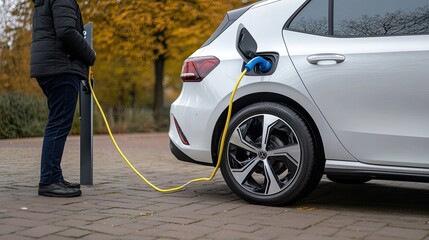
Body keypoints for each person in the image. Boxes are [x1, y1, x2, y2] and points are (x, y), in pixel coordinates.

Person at [30, 0, 96, 197]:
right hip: (61, 67)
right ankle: (49, 181)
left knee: (57, 122)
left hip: (49, 67)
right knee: (59, 124)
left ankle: (54, 176)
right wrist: (90, 55)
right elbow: (66, 31)